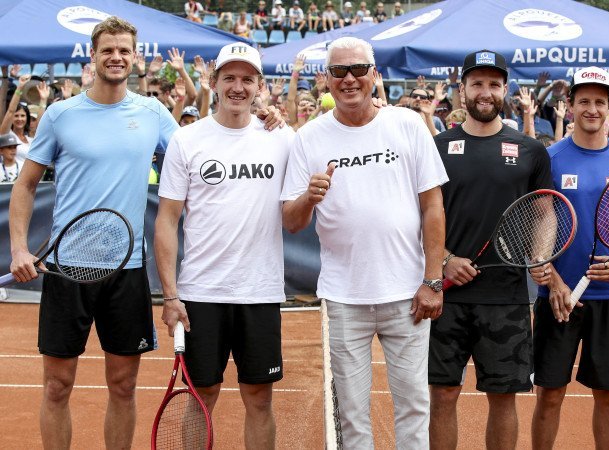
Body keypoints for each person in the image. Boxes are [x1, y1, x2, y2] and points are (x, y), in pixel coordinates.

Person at [7, 17, 178, 449]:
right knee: (57, 385)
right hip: (66, 270)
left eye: (124, 50)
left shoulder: (153, 113)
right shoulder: (60, 115)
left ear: (134, 57)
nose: (116, 57)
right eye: (108, 50)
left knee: (123, 385)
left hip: (127, 268)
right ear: (94, 55)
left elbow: (202, 153)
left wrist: (261, 120)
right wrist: (19, 248)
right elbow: (25, 186)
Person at [280, 36, 448, 449]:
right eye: (339, 71)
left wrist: (433, 280)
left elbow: (433, 207)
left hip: (407, 293)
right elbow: (291, 221)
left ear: (374, 74)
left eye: (358, 69)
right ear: (327, 80)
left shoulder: (407, 125)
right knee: (351, 414)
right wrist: (309, 197)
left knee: (413, 407)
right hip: (344, 297)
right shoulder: (309, 138)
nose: (350, 78)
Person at [156, 42, 294, 449]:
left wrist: (279, 117)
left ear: (260, 87)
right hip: (201, 294)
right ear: (214, 82)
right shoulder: (187, 140)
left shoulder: (281, 138)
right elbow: (166, 220)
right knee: (202, 397)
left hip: (260, 292)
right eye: (230, 78)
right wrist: (170, 295)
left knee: (259, 398)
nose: (238, 86)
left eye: (247, 79)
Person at [429, 50, 553, 450]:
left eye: (494, 84)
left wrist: (539, 255)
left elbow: (545, 213)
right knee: (442, 397)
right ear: (462, 90)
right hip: (444, 299)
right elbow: (418, 215)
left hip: (506, 298)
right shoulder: (438, 146)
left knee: (503, 400)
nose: (486, 92)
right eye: (477, 84)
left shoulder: (531, 150)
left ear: (505, 90)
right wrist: (446, 260)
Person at [531, 66, 609, 450]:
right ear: (570, 105)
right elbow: (539, 221)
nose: (592, 109)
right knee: (549, 394)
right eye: (584, 101)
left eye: (600, 101)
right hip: (558, 298)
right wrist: (554, 282)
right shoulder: (549, 159)